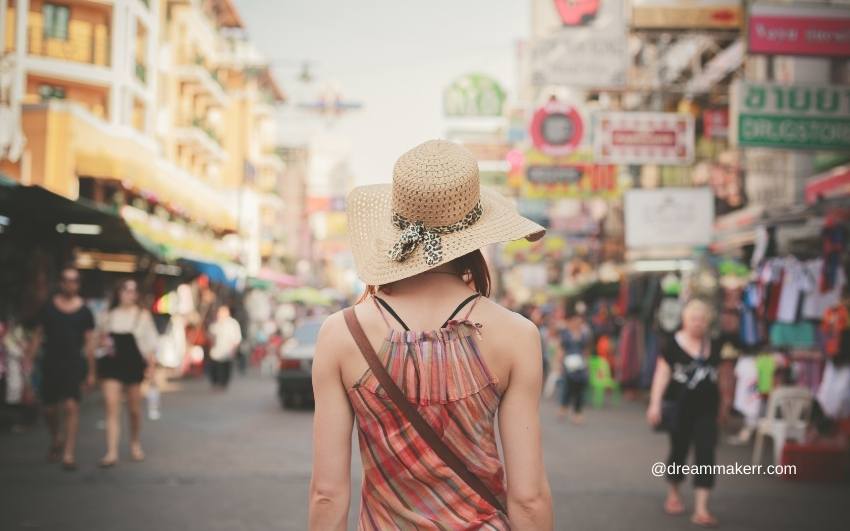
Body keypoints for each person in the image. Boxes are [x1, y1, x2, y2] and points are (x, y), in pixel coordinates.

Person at [309, 140, 553, 530]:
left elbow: (327, 493)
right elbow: (528, 498)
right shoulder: (516, 335)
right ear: (474, 233)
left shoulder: (342, 334)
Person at [646, 299, 721, 527]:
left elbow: (724, 376)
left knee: (706, 454)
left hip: (707, 410)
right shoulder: (671, 344)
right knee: (679, 450)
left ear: (707, 322)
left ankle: (701, 508)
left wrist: (725, 406)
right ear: (684, 320)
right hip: (679, 408)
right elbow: (662, 374)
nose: (697, 324)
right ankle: (674, 493)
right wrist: (655, 404)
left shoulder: (715, 345)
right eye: (692, 319)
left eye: (701, 320)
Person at [28, 267, 96, 470]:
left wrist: (92, 371)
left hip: (73, 364)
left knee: (71, 406)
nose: (70, 284)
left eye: (74, 280)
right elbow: (37, 336)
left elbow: (90, 343)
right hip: (50, 362)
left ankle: (69, 453)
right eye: (66, 280)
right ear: (60, 282)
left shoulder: (84, 311)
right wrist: (28, 362)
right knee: (49, 409)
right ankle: (56, 437)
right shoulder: (48, 308)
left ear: (78, 284)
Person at [96, 279, 158, 467]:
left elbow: (150, 345)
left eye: (132, 290)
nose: (128, 294)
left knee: (133, 410)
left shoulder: (142, 316)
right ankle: (111, 451)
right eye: (125, 289)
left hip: (133, 365)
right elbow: (97, 340)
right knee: (111, 406)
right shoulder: (107, 315)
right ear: (118, 292)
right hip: (112, 364)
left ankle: (134, 443)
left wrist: (151, 367)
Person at [555, 300, 593, 424]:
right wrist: (560, 363)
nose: (578, 322)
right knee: (567, 386)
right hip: (568, 363)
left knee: (580, 388)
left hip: (580, 364)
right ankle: (564, 407)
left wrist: (587, 363)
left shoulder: (584, 334)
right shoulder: (565, 334)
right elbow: (561, 348)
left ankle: (578, 412)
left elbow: (586, 349)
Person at [208, 304, 242, 390]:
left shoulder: (233, 323)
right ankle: (216, 383)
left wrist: (234, 349)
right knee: (215, 369)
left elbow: (236, 338)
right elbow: (210, 336)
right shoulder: (215, 323)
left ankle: (223, 384)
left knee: (225, 369)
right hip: (216, 351)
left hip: (227, 351)